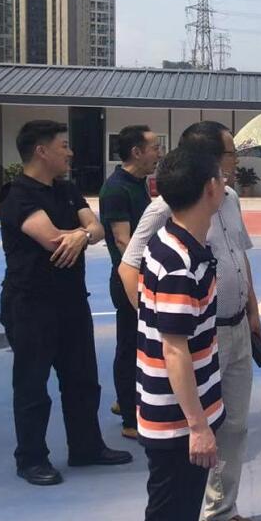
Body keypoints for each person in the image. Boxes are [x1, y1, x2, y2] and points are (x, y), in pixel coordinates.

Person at [118, 121, 261, 521]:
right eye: (230, 154)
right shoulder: (167, 208)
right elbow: (129, 267)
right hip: (195, 336)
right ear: (209, 162)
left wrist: (253, 309)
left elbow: (238, 255)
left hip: (235, 328)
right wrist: (164, 321)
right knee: (188, 436)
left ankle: (221, 512)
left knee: (232, 427)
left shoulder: (230, 199)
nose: (235, 162)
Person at [0, 120, 132, 486]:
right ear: (41, 151)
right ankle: (31, 458)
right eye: (63, 146)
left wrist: (82, 234)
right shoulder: (17, 194)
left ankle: (86, 447)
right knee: (32, 385)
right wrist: (80, 234)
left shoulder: (68, 190)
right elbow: (53, 240)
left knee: (83, 379)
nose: (70, 153)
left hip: (71, 302)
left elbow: (97, 228)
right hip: (31, 304)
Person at [120, 143, 225, 521]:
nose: (226, 182)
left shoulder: (173, 242)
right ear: (210, 188)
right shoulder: (179, 259)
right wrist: (198, 426)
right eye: (222, 176)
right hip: (177, 422)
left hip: (172, 413)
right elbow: (174, 349)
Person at [99, 125, 161, 439]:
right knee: (130, 346)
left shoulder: (139, 184)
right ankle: (129, 418)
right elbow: (124, 242)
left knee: (140, 345)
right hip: (129, 280)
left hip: (144, 276)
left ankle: (126, 398)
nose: (159, 154)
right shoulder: (116, 189)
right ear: (136, 152)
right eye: (155, 147)